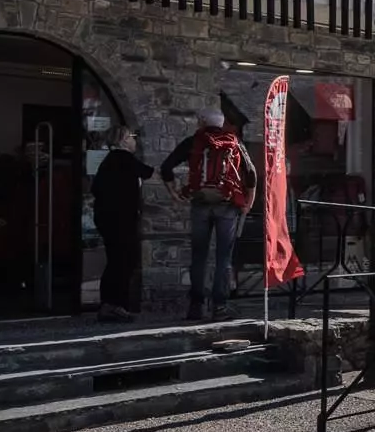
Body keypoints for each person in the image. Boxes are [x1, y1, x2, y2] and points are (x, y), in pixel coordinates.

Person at [159, 109, 257, 320]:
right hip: (227, 205)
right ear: (222, 124)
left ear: (202, 123)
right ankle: (219, 307)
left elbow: (166, 167)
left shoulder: (194, 141)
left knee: (199, 256)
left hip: (200, 204)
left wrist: (174, 193)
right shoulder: (234, 142)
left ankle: (196, 306)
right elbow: (251, 174)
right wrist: (248, 202)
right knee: (224, 257)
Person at [90, 126, 154, 323]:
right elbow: (147, 172)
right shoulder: (123, 158)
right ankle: (115, 305)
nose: (135, 140)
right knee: (124, 261)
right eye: (132, 137)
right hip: (120, 220)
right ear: (123, 140)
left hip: (109, 219)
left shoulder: (109, 161)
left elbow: (96, 188)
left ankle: (109, 304)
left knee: (116, 260)